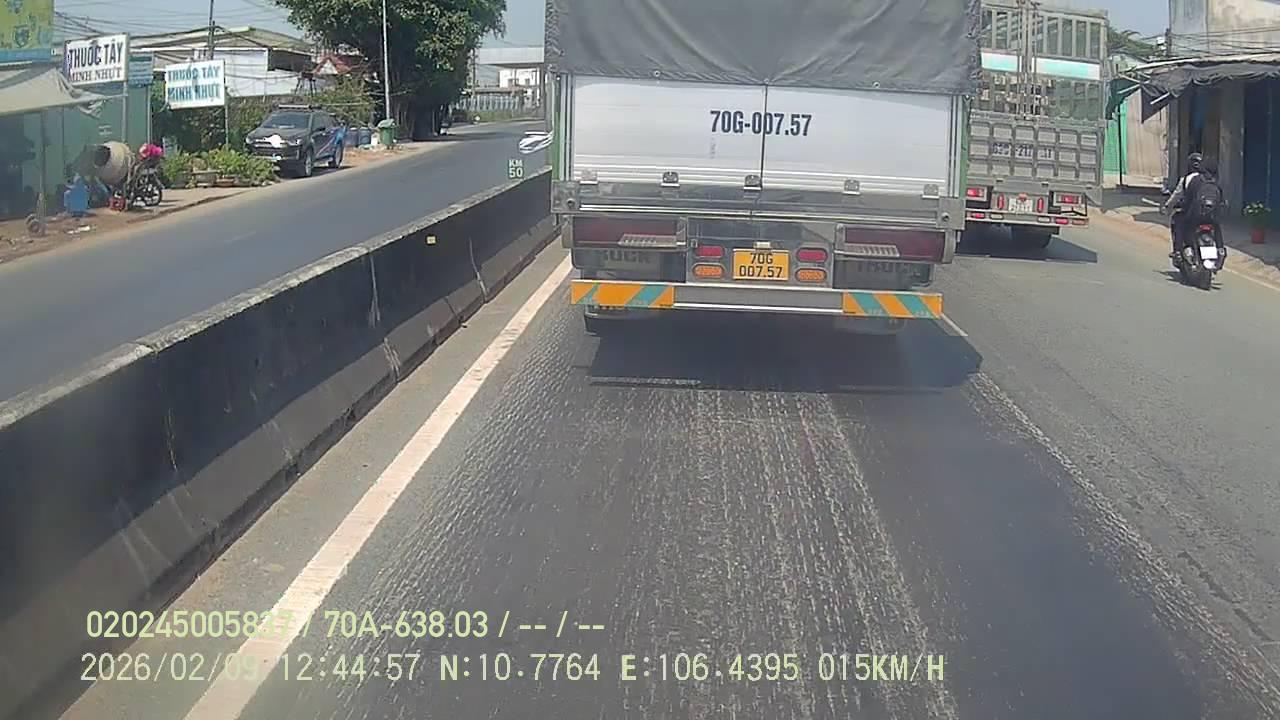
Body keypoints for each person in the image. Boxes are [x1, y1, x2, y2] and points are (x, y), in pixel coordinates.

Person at [1163, 152, 1203, 259]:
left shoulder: (1186, 179)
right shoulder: (1208, 179)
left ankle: (1177, 251)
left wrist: (1168, 206)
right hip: (1208, 215)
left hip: (1191, 214)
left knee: (1177, 220)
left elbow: (1176, 195)